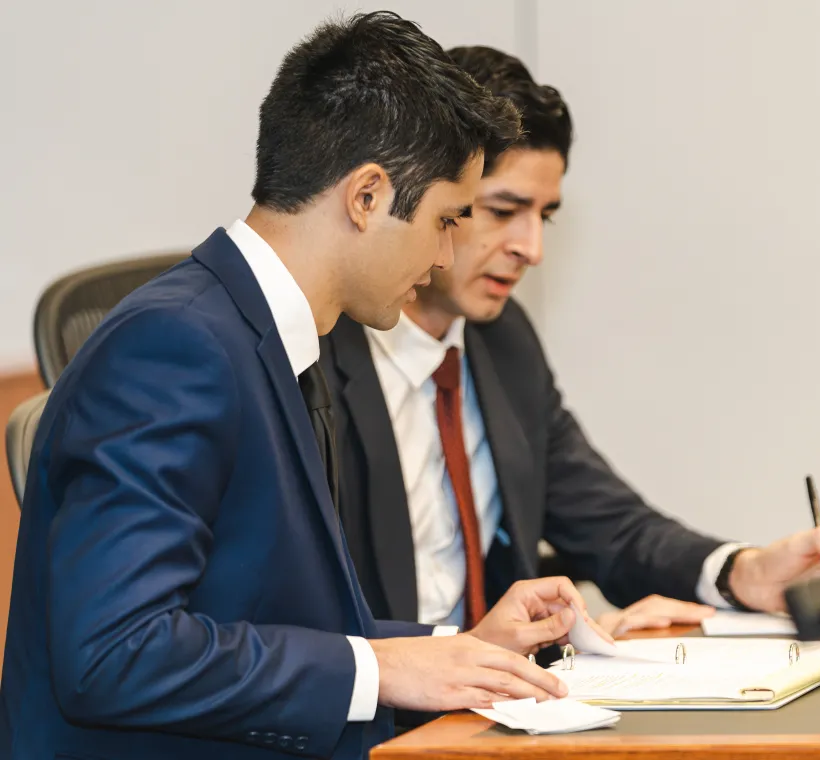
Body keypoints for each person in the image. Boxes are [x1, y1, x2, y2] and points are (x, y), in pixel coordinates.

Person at [0, 17, 615, 760]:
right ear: (366, 197)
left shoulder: (267, 331)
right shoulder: (175, 348)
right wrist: (379, 668)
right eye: (446, 220)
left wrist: (456, 648)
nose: (447, 252)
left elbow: (269, 614)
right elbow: (114, 653)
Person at [320, 46, 820, 641]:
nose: (531, 249)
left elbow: (611, 529)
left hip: (488, 716)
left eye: (546, 216)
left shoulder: (503, 341)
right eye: (503, 210)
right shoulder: (317, 356)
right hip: (372, 718)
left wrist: (744, 573)